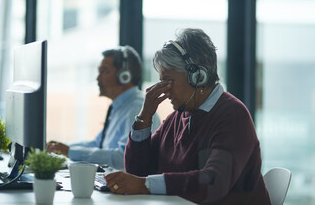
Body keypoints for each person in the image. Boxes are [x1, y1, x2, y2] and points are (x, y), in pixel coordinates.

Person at [104, 28, 271, 205]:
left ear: (197, 76)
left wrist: (145, 184)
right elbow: (138, 171)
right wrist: (144, 117)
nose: (165, 89)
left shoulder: (233, 116)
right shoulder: (179, 116)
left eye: (168, 80)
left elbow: (213, 182)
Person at [47, 46, 161, 170]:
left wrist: (70, 152)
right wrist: (62, 148)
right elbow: (98, 143)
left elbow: (123, 157)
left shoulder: (137, 109)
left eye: (104, 71)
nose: (98, 78)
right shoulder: (119, 107)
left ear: (124, 76)